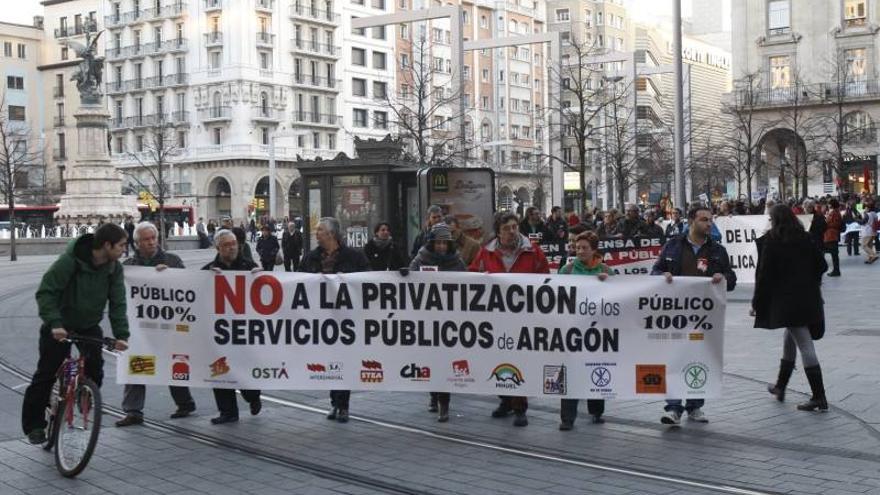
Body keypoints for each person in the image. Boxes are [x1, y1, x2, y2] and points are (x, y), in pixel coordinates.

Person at [21, 223, 131, 444]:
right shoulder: (70, 262)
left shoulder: (114, 268)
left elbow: (118, 302)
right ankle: (34, 426)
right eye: (121, 245)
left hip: (89, 324)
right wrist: (54, 323)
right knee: (46, 373)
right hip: (60, 325)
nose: (124, 250)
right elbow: (46, 292)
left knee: (95, 367)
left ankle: (85, 395)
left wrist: (121, 335)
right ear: (106, 245)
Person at [651, 205, 736, 426]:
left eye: (710, 220)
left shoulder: (717, 250)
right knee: (673, 358)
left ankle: (695, 406)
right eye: (704, 220)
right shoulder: (673, 246)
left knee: (699, 358)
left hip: (703, 318)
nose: (708, 224)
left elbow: (731, 278)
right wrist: (663, 275)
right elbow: (656, 271)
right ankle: (673, 408)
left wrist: (722, 275)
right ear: (691, 221)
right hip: (675, 315)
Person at [469, 212, 550, 427]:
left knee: (518, 360)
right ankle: (505, 400)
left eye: (515, 227)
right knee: (495, 360)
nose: (512, 231)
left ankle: (520, 407)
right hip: (494, 317)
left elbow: (546, 278)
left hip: (523, 316)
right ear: (498, 231)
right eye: (507, 228)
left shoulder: (532, 251)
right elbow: (470, 277)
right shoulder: (486, 253)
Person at [116, 222, 196, 427]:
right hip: (142, 328)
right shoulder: (129, 266)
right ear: (136, 243)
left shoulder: (172, 260)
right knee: (138, 363)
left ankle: (185, 403)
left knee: (173, 364)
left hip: (169, 325)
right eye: (146, 239)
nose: (151, 242)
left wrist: (170, 275)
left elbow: (188, 288)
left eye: (153, 238)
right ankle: (133, 411)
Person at [754, 205, 829, 412]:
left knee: (805, 345)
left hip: (788, 302)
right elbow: (822, 266)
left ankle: (819, 397)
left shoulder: (772, 241)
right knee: (791, 338)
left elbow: (764, 277)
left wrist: (757, 304)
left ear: (775, 220)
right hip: (810, 298)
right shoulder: (805, 238)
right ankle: (780, 386)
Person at [301, 217, 370, 423]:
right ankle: (335, 402)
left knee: (344, 360)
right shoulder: (311, 258)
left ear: (331, 234)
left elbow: (368, 279)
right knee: (330, 360)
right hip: (321, 319)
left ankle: (342, 405)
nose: (317, 233)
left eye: (320, 230)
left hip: (346, 318)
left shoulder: (354, 257)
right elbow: (297, 281)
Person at [202, 230, 263, 424]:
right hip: (218, 332)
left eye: (234, 243)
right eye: (227, 244)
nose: (232, 247)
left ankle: (253, 397)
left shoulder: (248, 266)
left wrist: (259, 276)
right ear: (218, 247)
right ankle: (227, 412)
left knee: (244, 370)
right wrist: (206, 279)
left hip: (242, 330)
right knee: (219, 371)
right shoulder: (208, 270)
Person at [409, 223, 466, 422]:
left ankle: (444, 404)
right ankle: (434, 395)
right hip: (427, 320)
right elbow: (410, 281)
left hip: (449, 322)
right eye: (438, 243)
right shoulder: (420, 259)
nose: (441, 246)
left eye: (445, 243)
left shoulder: (457, 262)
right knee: (430, 361)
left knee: (444, 362)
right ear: (432, 243)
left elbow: (469, 286)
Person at [557, 231, 611, 430]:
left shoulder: (606, 269)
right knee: (570, 372)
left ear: (594, 250)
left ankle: (596, 411)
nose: (579, 251)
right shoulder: (567, 270)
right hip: (573, 329)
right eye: (577, 247)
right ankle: (567, 418)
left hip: (598, 330)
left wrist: (608, 283)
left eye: (584, 248)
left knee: (595, 368)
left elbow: (617, 296)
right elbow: (557, 295)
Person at [823, 199, 842, 277]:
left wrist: (826, 223)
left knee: (833, 254)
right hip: (831, 235)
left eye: (829, 203)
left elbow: (835, 224)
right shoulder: (835, 212)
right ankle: (836, 270)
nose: (828, 205)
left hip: (831, 235)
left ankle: (836, 270)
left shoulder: (835, 212)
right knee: (834, 254)